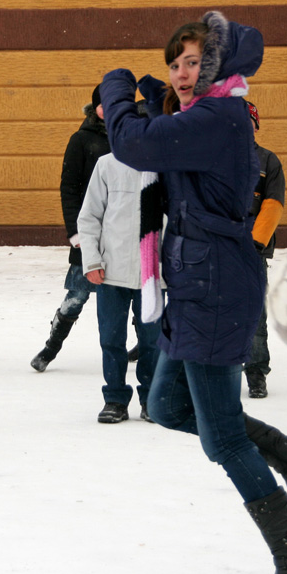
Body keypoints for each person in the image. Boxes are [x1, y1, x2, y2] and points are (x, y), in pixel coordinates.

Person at [100, 11, 287, 574]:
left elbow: (134, 143)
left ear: (218, 66)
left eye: (194, 62)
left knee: (223, 438)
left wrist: (116, 85)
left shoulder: (219, 118)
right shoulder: (204, 115)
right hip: (195, 283)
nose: (182, 73)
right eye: (175, 63)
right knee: (165, 406)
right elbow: (162, 123)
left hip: (216, 287)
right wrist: (148, 93)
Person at [77, 150, 164, 424]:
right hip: (111, 271)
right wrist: (92, 261)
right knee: (111, 339)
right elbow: (89, 216)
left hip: (154, 272)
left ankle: (151, 399)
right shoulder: (107, 164)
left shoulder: (169, 165)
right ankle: (114, 399)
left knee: (153, 341)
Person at [30, 85, 110, 372]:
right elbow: (69, 189)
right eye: (104, 103)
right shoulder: (81, 140)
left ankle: (141, 346)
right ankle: (51, 347)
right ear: (95, 107)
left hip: (123, 234)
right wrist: (75, 232)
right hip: (89, 232)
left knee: (131, 296)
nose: (109, 108)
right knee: (77, 294)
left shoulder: (132, 138)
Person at [243, 101, 285, 399]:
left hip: (251, 250)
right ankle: (218, 369)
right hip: (217, 247)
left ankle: (256, 372)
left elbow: (273, 204)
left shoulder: (268, 161)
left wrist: (254, 243)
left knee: (255, 316)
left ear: (255, 126)